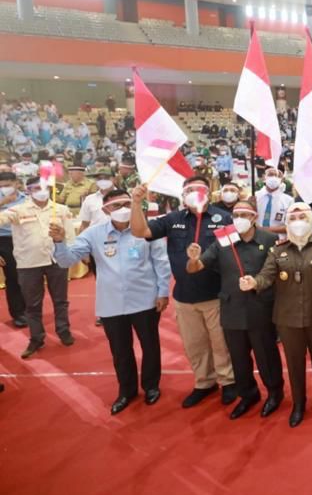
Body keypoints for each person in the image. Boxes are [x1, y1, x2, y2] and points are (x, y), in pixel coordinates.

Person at [51, 189, 170, 414]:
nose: (123, 210)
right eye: (116, 206)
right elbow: (66, 261)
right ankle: (127, 391)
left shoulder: (147, 230)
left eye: (127, 204)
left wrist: (163, 292)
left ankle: (151, 386)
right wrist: (59, 243)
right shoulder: (93, 234)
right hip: (111, 303)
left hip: (145, 299)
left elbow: (161, 262)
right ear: (105, 210)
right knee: (120, 350)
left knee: (150, 346)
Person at [130, 177, 236, 408]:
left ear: (209, 193)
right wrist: (136, 204)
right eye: (189, 190)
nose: (193, 193)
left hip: (216, 295)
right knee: (194, 345)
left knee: (221, 343)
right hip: (185, 296)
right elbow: (141, 231)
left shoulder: (223, 218)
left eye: (198, 189)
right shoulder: (173, 219)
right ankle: (204, 382)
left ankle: (228, 381)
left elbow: (233, 254)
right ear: (182, 194)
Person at [187, 199, 284, 420]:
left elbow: (276, 272)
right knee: (239, 358)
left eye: (244, 215)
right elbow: (196, 267)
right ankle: (248, 394)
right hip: (232, 308)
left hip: (261, 309)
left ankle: (274, 393)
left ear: (254, 218)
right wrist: (192, 259)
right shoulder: (222, 241)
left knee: (266, 356)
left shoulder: (268, 239)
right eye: (236, 215)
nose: (239, 219)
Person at [243, 203, 312, 427]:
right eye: (293, 216)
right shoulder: (278, 250)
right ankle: (299, 403)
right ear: (286, 221)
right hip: (287, 317)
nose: (297, 220)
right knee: (294, 363)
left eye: (302, 216)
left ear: (311, 219)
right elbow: (266, 276)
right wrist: (253, 282)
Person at [0, 176, 76, 358]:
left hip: (56, 261)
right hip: (28, 263)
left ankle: (63, 331)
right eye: (35, 188)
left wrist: (70, 254)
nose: (41, 191)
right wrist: (3, 201)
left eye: (43, 187)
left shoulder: (61, 209)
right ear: (28, 190)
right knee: (32, 305)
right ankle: (36, 337)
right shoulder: (17, 210)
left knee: (61, 301)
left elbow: (72, 238)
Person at [0, 171, 28, 328]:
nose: (5, 188)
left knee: (27, 277)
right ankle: (18, 313)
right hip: (4, 241)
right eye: (1, 186)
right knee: (12, 278)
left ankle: (29, 310)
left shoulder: (26, 199)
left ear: (17, 183)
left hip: (24, 240)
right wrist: (2, 202)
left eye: (8, 185)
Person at [254, 167, 293, 234]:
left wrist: (263, 230)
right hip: (256, 238)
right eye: (271, 174)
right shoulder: (254, 197)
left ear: (282, 180)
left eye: (277, 176)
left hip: (279, 239)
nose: (274, 178)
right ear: (264, 177)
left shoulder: (289, 200)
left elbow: (290, 226)